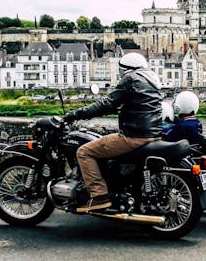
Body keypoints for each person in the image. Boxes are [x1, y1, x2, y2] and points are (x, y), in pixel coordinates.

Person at [63, 52, 162, 212]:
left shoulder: (130, 79)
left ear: (125, 69)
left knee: (84, 151)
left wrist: (77, 113)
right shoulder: (151, 80)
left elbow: (107, 103)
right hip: (153, 135)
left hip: (132, 137)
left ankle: (99, 196)